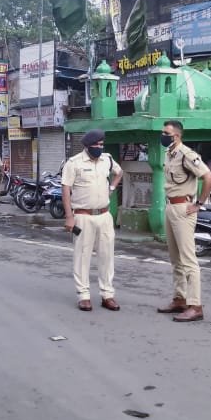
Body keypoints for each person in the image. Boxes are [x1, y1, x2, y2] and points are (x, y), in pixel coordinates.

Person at [156, 120, 211, 322]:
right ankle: (180, 299)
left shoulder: (187, 155)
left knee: (188, 259)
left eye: (167, 133)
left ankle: (195, 305)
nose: (163, 136)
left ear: (177, 136)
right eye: (163, 132)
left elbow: (209, 178)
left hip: (184, 208)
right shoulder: (169, 154)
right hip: (171, 206)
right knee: (175, 258)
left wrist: (199, 203)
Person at [62, 129, 123, 312]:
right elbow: (66, 190)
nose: (99, 147)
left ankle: (107, 295)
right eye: (96, 145)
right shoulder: (74, 163)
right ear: (87, 146)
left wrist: (111, 187)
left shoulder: (107, 159)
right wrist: (69, 217)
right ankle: (84, 295)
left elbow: (119, 173)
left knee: (107, 256)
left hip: (104, 215)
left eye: (101, 144)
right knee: (82, 256)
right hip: (83, 216)